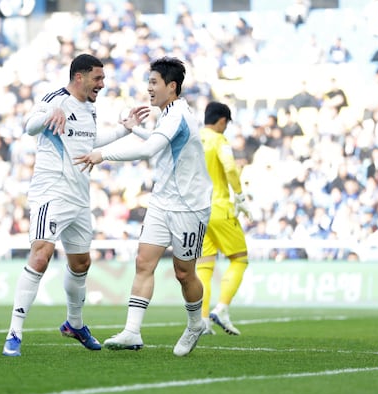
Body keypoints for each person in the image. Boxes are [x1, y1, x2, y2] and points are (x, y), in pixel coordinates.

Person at [2, 53, 150, 356]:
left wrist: (125, 129)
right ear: (79, 77)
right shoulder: (55, 99)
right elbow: (30, 126)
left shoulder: (89, 108)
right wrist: (49, 114)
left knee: (81, 263)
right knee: (40, 256)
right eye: (98, 78)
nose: (102, 84)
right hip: (51, 193)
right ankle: (14, 332)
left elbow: (88, 141)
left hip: (80, 196)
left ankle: (74, 324)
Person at [75, 57, 213, 357]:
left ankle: (195, 324)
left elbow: (151, 149)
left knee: (184, 273)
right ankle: (132, 332)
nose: (149, 88)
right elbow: (158, 140)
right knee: (143, 262)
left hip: (190, 207)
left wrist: (103, 154)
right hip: (162, 202)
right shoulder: (168, 114)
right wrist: (133, 129)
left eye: (154, 82)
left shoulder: (179, 115)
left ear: (171, 86)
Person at [196, 102, 252, 336]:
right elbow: (229, 167)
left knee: (204, 266)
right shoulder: (219, 140)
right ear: (221, 121)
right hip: (219, 208)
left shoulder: (194, 138)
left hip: (198, 210)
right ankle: (222, 308)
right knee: (240, 259)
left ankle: (202, 320)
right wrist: (239, 195)